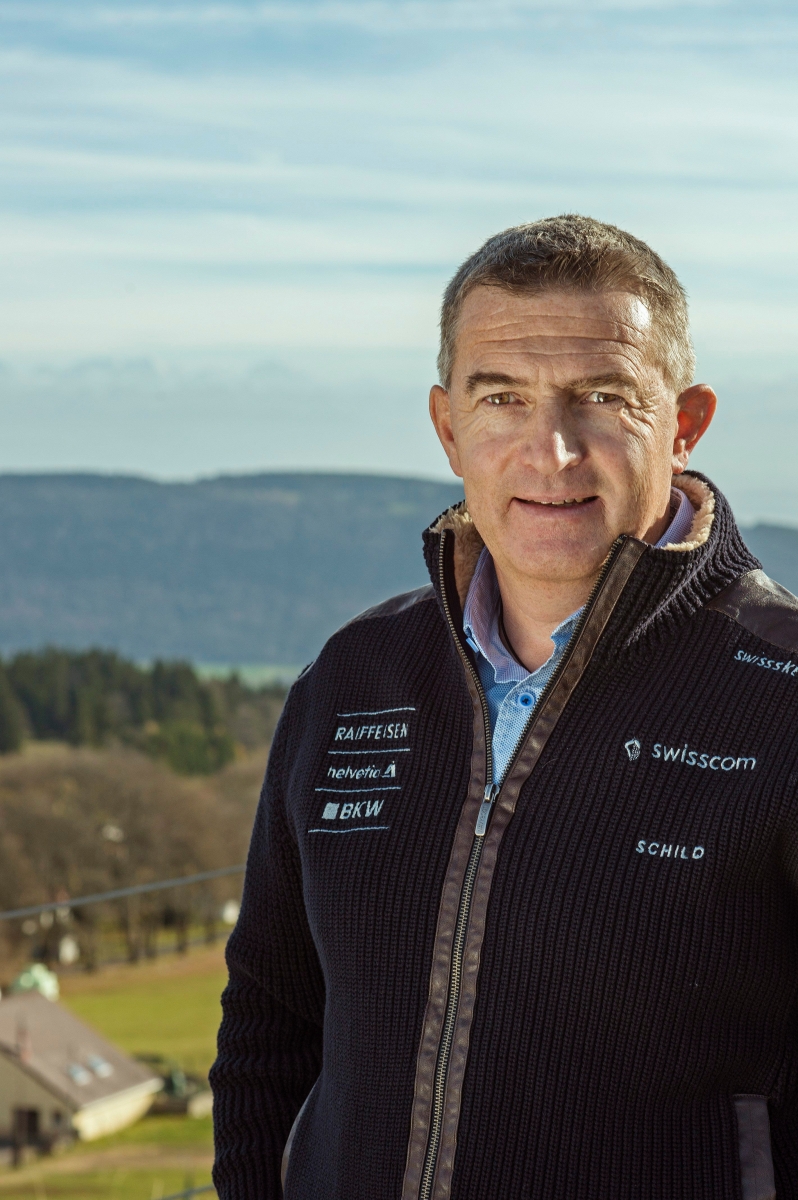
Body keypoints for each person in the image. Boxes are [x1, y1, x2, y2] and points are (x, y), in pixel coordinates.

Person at [210, 215, 798, 1200]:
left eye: (601, 398)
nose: (550, 451)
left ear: (685, 421)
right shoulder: (354, 679)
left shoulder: (779, 696)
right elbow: (271, 1025)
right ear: (448, 427)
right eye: (502, 399)